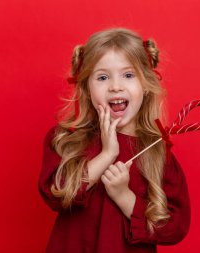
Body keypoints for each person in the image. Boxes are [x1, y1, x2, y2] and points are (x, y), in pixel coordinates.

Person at [38, 27, 190, 253]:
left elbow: (175, 227)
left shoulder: (157, 153)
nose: (116, 86)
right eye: (102, 77)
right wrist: (106, 155)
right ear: (87, 88)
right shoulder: (64, 140)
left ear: (146, 85)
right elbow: (55, 194)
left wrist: (124, 196)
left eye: (128, 75)